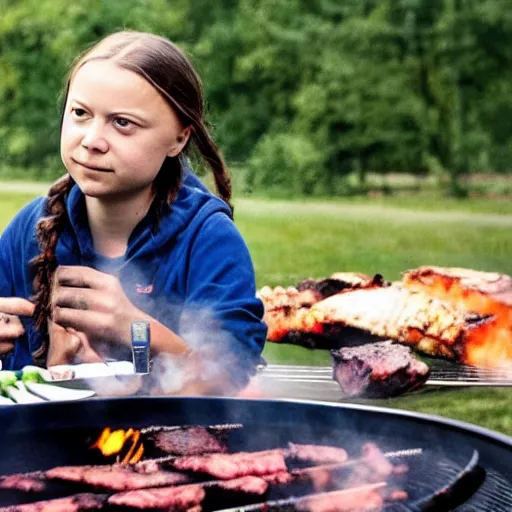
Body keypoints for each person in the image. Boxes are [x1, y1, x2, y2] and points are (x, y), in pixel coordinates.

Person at [0, 31, 267, 393]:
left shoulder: (207, 240)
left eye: (122, 123)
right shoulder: (30, 229)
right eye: (80, 113)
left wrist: (134, 329)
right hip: (39, 443)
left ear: (179, 138)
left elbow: (232, 379)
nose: (92, 140)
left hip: (162, 444)